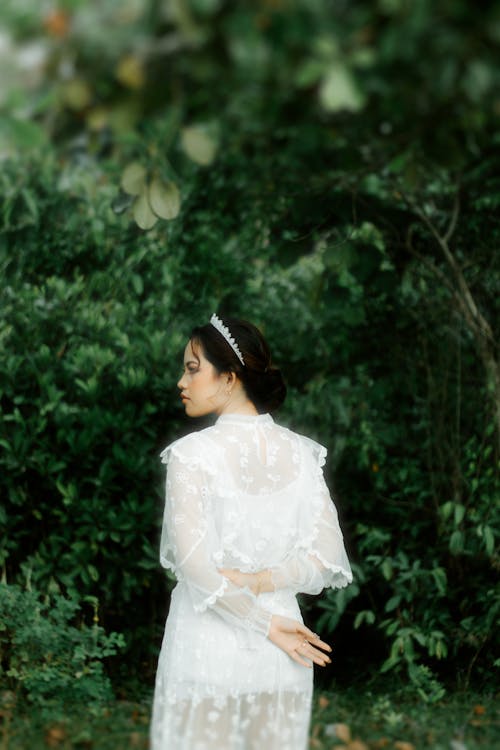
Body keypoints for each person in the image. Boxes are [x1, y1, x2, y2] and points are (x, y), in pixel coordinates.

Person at [150, 314, 352, 750]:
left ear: (229, 377)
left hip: (209, 645)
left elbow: (195, 566)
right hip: (283, 651)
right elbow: (326, 555)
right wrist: (267, 597)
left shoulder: (191, 456)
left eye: (192, 368)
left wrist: (261, 618)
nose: (181, 382)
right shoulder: (301, 454)